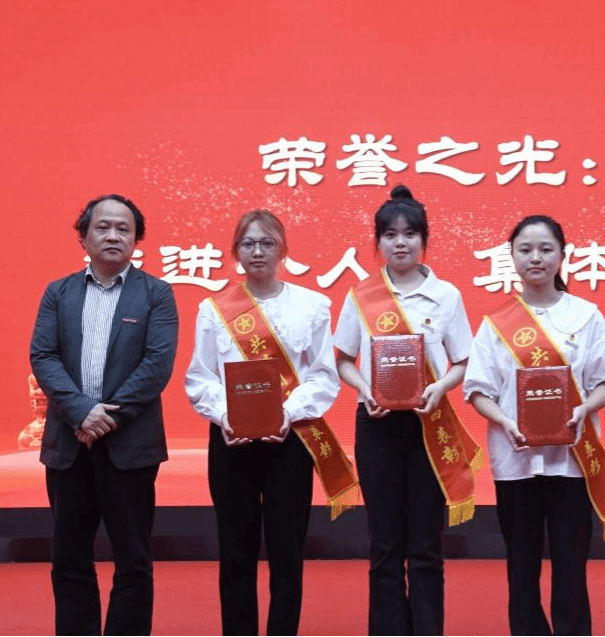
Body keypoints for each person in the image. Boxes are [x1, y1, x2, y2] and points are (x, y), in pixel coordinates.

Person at [464, 215, 605, 636]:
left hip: (571, 461)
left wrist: (583, 409)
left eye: (545, 249)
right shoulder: (495, 324)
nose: (535, 258)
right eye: (525, 250)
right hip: (515, 459)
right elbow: (478, 390)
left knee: (571, 566)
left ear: (562, 256)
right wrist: (504, 420)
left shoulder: (587, 316)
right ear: (512, 257)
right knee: (521, 566)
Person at [184, 209, 344, 636]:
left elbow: (323, 376)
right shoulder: (213, 310)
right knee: (235, 551)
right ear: (235, 251)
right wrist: (227, 417)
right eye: (248, 243)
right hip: (231, 440)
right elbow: (200, 377)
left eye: (267, 243)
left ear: (282, 250)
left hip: (289, 441)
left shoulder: (311, 306)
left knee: (287, 552)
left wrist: (286, 413)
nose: (258, 251)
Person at [30, 194, 179, 636]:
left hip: (129, 448)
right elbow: (43, 356)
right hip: (69, 445)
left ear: (136, 240)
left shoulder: (156, 294)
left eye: (124, 229)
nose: (113, 235)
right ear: (83, 236)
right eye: (103, 227)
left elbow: (157, 364)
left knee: (133, 560)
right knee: (69, 559)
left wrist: (106, 416)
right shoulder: (58, 292)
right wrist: (81, 412)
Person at [333, 185, 479, 636]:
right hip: (376, 426)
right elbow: (343, 360)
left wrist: (440, 387)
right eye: (390, 234)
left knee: (426, 544)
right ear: (377, 242)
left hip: (429, 425)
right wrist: (365, 389)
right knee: (384, 544)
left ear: (424, 240)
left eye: (410, 234)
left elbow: (464, 361)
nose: (400, 243)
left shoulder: (446, 295)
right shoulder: (361, 295)